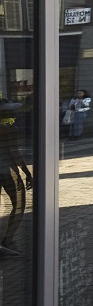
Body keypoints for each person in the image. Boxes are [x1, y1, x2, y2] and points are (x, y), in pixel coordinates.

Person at [0, 98, 32, 256]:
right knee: (19, 205)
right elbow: (14, 153)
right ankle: (7, 241)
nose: (13, 112)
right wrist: (27, 173)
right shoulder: (7, 129)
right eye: (9, 110)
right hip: (7, 171)